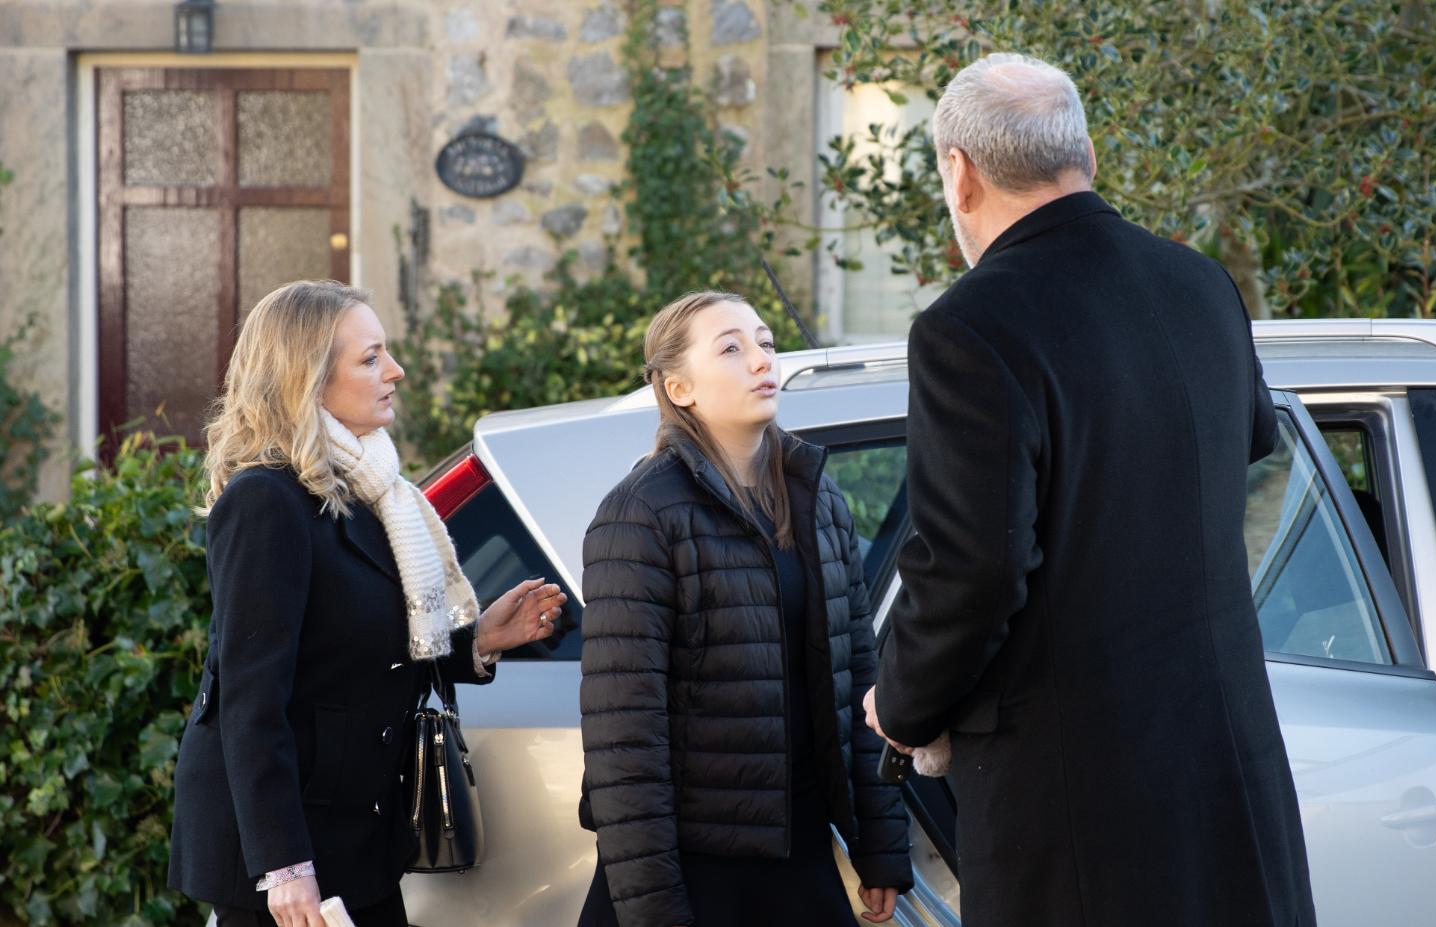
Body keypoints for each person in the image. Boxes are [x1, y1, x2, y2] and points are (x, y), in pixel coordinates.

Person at [863, 54, 1317, 926]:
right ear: (1089, 156)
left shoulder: (969, 328)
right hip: (1230, 773)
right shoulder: (1201, 285)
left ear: (958, 174)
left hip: (1081, 810)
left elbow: (975, 568)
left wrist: (905, 701)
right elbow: (1251, 438)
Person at [167, 280, 567, 927]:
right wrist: (284, 866)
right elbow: (251, 698)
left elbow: (371, 646)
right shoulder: (267, 500)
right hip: (289, 855)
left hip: (360, 836)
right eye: (371, 356)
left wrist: (479, 640)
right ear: (309, 378)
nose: (395, 371)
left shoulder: (377, 492)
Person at [576, 292, 913, 927]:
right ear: (679, 388)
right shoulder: (642, 512)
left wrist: (881, 844)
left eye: (765, 343)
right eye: (731, 348)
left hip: (799, 854)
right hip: (695, 867)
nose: (762, 360)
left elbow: (859, 680)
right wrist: (656, 910)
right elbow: (624, 736)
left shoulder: (816, 496)